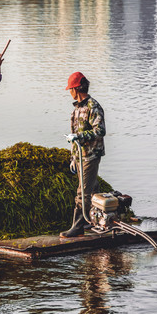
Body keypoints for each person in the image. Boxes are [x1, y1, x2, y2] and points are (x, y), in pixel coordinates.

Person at [60, 72, 106, 238]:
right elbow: (74, 133)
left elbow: (100, 130)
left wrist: (79, 137)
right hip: (80, 156)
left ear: (76, 89)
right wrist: (73, 158)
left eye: (70, 89)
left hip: (91, 155)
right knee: (93, 189)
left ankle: (77, 226)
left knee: (83, 192)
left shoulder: (93, 106)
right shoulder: (77, 108)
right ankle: (93, 220)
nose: (69, 92)